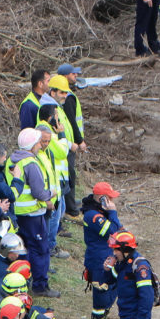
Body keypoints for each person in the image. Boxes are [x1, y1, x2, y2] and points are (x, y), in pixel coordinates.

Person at [8, 127, 58, 298]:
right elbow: (39, 192)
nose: (40, 145)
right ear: (32, 145)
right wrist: (51, 194)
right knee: (41, 250)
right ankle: (40, 286)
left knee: (23, 249)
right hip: (33, 214)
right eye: (38, 142)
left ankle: (22, 281)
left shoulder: (12, 160)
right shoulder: (31, 163)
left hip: (17, 214)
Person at [81, 182, 122, 319]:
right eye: (110, 197)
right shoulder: (93, 215)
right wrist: (113, 213)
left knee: (112, 291)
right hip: (98, 261)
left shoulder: (100, 211)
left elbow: (119, 230)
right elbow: (113, 232)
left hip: (107, 259)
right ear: (101, 198)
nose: (112, 200)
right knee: (101, 297)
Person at [35, 105, 69, 260]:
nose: (58, 117)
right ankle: (50, 249)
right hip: (50, 193)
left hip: (54, 189)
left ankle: (49, 249)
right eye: (56, 115)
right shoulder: (47, 133)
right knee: (51, 222)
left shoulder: (46, 133)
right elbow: (63, 151)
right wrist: (61, 134)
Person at [56, 64, 86, 216]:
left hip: (69, 143)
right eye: (73, 74)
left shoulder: (67, 96)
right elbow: (72, 122)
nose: (76, 76)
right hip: (67, 144)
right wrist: (80, 141)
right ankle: (71, 208)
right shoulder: (67, 98)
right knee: (68, 175)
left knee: (70, 174)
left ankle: (71, 204)